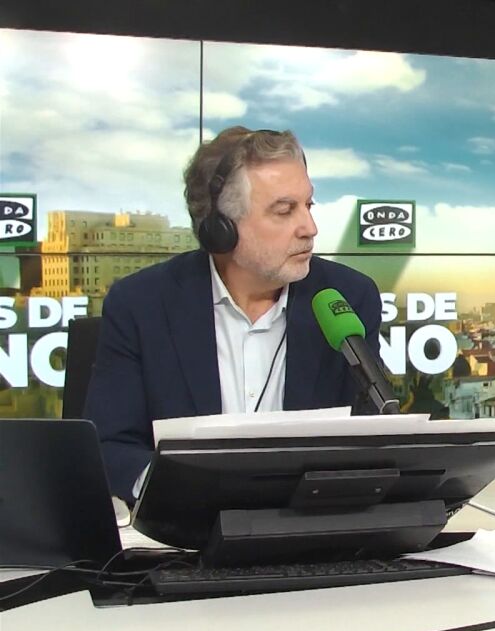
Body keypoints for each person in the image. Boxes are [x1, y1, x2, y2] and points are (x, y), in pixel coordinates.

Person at [85, 127, 383, 502]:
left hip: (312, 525)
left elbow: (373, 439)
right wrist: (174, 492)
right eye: (284, 210)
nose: (310, 228)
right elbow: (109, 446)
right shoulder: (141, 305)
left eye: (308, 205)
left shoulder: (349, 297)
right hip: (186, 528)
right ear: (221, 228)